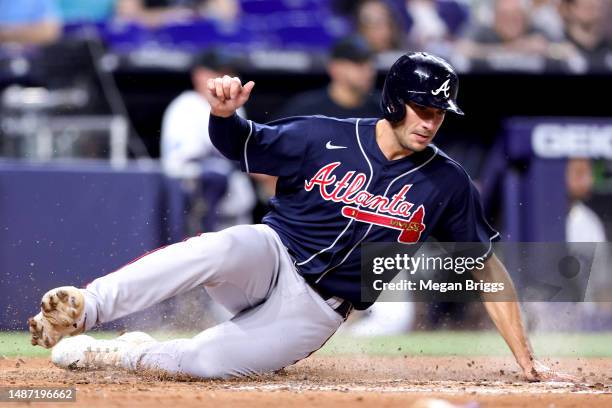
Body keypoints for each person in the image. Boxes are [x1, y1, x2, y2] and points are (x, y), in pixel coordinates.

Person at [28, 52, 575, 382]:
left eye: (440, 113)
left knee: (207, 364)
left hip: (319, 309)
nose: (433, 122)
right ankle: (88, 306)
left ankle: (124, 356)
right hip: (270, 257)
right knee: (218, 247)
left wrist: (525, 357)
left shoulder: (448, 183)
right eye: (424, 109)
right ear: (393, 102)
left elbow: (483, 268)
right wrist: (223, 114)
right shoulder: (324, 134)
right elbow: (240, 144)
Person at [161, 49, 255, 232]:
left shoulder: (233, 107)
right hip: (202, 215)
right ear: (199, 75)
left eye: (230, 73)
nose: (226, 79)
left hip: (236, 213)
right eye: (219, 73)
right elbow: (186, 164)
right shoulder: (186, 106)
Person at [276, 36, 381, 119]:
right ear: (334, 69)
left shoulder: (384, 109)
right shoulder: (304, 110)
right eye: (358, 64)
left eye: (370, 63)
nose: (369, 71)